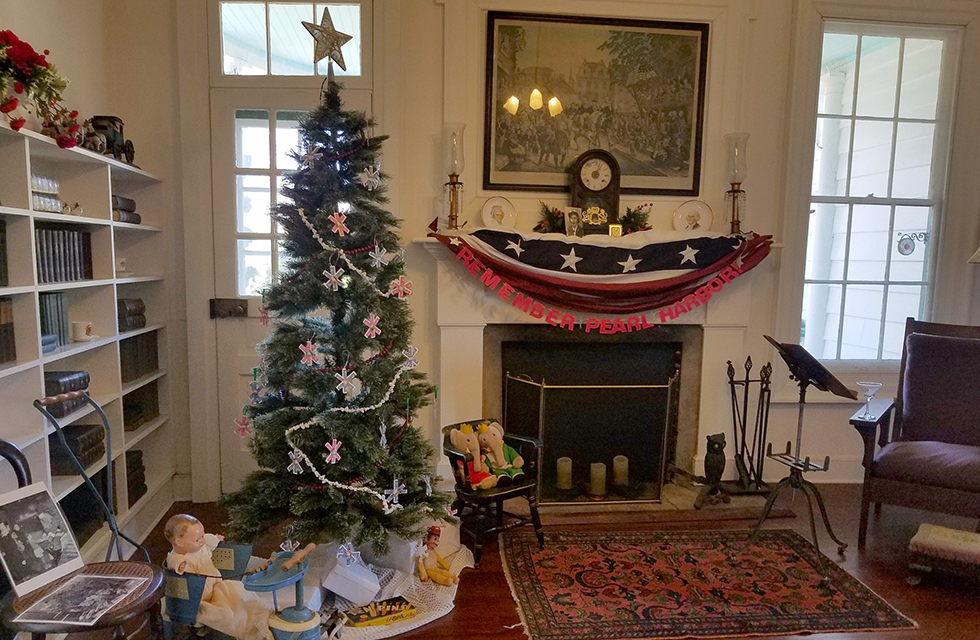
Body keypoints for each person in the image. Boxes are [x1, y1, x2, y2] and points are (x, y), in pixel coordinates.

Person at [164, 514, 273, 640]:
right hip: (199, 598)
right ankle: (246, 629)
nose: (202, 541)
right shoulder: (178, 559)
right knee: (226, 613)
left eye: (202, 536)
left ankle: (254, 615)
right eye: (197, 540)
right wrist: (181, 567)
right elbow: (174, 567)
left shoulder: (201, 546)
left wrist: (216, 538)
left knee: (237, 591)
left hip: (217, 586)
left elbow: (210, 540)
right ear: (179, 542)